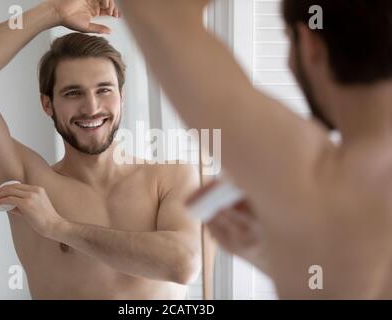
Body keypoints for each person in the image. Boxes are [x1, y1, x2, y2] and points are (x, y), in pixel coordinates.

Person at [118, 0, 392, 298]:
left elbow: (152, 7)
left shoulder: (309, 172)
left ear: (309, 44)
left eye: (287, 41)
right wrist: (277, 257)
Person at [0, 0, 201, 299]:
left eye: (104, 90)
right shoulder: (27, 180)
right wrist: (52, 13)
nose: (91, 108)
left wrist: (58, 227)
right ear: (47, 104)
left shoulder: (171, 178)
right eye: (73, 93)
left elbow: (183, 263)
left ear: (122, 97)